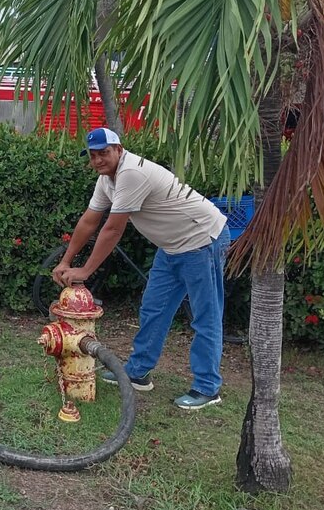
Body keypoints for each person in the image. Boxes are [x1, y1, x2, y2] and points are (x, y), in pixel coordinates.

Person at [53, 127, 230, 410]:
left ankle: (207, 388)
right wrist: (65, 261)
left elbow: (113, 229)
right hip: (172, 246)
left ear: (119, 150)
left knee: (204, 317)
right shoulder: (107, 179)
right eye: (93, 155)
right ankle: (138, 373)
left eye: (104, 153)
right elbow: (90, 221)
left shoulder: (132, 173)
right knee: (153, 309)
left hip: (201, 240)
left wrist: (85, 271)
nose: (98, 160)